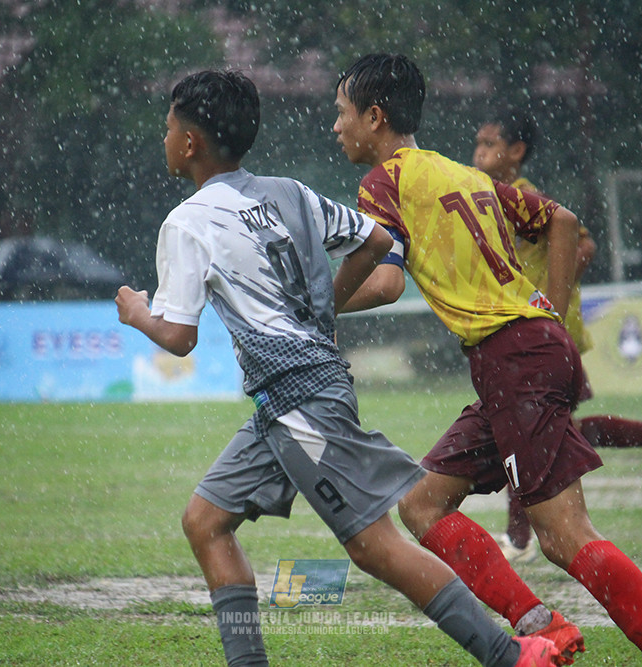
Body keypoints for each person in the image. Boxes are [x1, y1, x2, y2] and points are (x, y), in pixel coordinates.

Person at [115, 69, 560, 667]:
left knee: (375, 547)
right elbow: (374, 243)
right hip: (289, 399)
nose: (165, 138)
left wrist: (138, 313)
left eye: (169, 128)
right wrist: (322, 306)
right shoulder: (290, 192)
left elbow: (178, 336)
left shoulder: (187, 221)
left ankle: (511, 655)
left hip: (297, 400)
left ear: (190, 143)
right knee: (205, 521)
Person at [332, 53, 642, 667]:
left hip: (513, 359)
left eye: (341, 112)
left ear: (374, 117)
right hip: (522, 356)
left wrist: (314, 306)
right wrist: (552, 313)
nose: (336, 126)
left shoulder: (385, 183)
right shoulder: (464, 174)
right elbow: (562, 222)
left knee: (566, 538)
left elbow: (382, 281)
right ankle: (544, 625)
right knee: (421, 503)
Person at [473, 108, 642, 563]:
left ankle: (519, 540)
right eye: (478, 144)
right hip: (526, 337)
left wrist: (550, 306)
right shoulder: (488, 196)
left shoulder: (522, 197)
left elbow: (582, 243)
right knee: (539, 433)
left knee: (526, 432)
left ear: (516, 152)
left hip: (541, 337)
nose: (479, 153)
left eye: (488, 144)